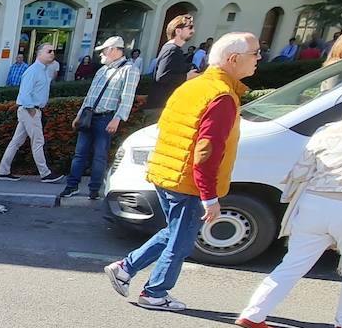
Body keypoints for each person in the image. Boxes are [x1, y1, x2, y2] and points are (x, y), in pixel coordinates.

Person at [236, 67, 342, 328]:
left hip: (315, 203)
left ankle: (254, 311)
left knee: (293, 263)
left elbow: (299, 173)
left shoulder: (329, 129)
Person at [103, 33, 259, 310]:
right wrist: (210, 196)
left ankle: (125, 268)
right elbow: (206, 152)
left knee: (175, 232)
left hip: (168, 172)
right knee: (181, 242)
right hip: (187, 181)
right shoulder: (222, 97)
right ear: (233, 59)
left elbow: (168, 130)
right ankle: (154, 293)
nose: (259, 59)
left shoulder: (192, 87)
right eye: (255, 53)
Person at [58, 36, 141, 201]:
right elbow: (90, 95)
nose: (102, 54)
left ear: (113, 50)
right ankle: (71, 186)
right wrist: (79, 114)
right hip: (89, 115)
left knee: (100, 155)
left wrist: (117, 118)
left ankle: (94, 189)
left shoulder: (129, 69)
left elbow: (127, 98)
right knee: (79, 154)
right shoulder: (102, 70)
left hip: (105, 117)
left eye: (104, 50)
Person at [0, 42, 57, 183]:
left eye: (53, 51)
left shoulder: (42, 70)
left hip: (31, 110)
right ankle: (45, 173)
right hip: (31, 110)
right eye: (49, 51)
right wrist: (32, 110)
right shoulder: (33, 71)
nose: (52, 53)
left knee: (16, 142)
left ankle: (3, 171)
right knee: (37, 141)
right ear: (40, 53)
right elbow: (24, 94)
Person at [145, 15, 200, 114]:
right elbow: (162, 77)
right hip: (160, 107)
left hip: (162, 105)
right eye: (190, 27)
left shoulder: (172, 49)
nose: (193, 31)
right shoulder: (172, 50)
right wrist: (186, 76)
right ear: (178, 31)